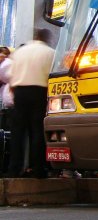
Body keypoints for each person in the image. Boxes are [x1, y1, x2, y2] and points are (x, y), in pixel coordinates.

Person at [6, 29, 55, 178]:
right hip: (39, 92)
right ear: (47, 38)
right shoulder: (50, 52)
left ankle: (14, 169)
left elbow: (11, 77)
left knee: (18, 133)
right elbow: (51, 76)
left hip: (20, 92)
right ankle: (38, 169)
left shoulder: (20, 52)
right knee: (37, 131)